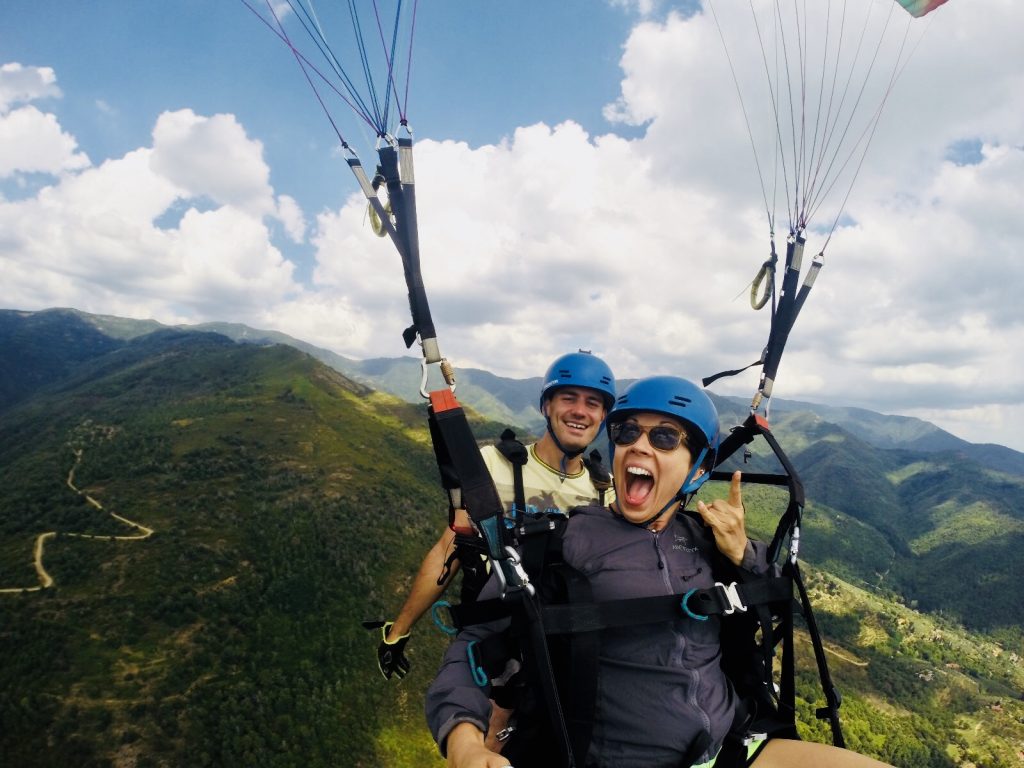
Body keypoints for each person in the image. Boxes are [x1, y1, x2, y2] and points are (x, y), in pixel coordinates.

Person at [425, 375, 895, 768]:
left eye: (665, 437)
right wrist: (463, 740)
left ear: (696, 471)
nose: (638, 446)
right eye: (627, 433)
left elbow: (779, 606)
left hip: (735, 746)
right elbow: (473, 646)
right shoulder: (560, 542)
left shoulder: (711, 538)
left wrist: (742, 557)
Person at [367, 351, 617, 683]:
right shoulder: (491, 466)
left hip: (562, 649)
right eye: (568, 398)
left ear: (602, 417)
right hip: (492, 640)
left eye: (593, 404)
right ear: (546, 407)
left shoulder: (606, 492)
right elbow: (449, 550)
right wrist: (399, 630)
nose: (580, 412)